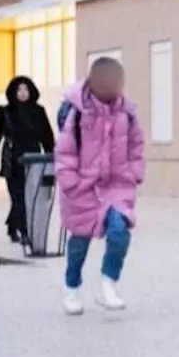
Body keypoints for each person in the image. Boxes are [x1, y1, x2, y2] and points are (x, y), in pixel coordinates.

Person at [54, 57, 145, 315]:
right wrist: (70, 183)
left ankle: (109, 284)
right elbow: (65, 150)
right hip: (82, 186)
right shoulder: (75, 110)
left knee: (120, 231)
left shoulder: (127, 112)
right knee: (79, 241)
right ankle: (71, 288)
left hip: (117, 185)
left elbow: (136, 144)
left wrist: (134, 172)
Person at [0, 76, 56, 243]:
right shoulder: (4, 112)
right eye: (19, 90)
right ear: (13, 92)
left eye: (26, 90)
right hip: (12, 159)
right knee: (17, 196)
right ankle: (24, 231)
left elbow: (47, 136)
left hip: (34, 160)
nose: (22, 93)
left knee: (28, 195)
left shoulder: (38, 111)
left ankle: (13, 225)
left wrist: (53, 157)